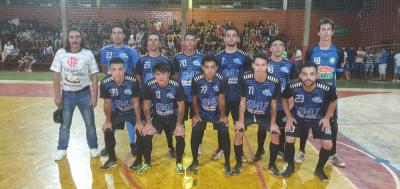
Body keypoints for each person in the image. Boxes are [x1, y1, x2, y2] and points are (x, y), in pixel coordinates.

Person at [280, 62, 337, 182]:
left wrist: (327, 118)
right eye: (305, 74)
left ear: (317, 75)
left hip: (318, 118)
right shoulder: (292, 85)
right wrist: (289, 117)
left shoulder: (327, 87)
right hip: (298, 117)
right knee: (289, 139)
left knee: (328, 145)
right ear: (300, 75)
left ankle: (319, 169)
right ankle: (290, 166)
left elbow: (333, 101)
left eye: (312, 74)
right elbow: (284, 99)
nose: (308, 77)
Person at [301, 18, 345, 167]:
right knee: (305, 120)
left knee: (332, 122)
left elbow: (339, 73)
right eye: (323, 29)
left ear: (332, 32)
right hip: (312, 93)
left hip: (329, 95)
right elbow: (305, 69)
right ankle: (301, 151)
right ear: (318, 32)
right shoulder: (312, 50)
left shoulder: (338, 51)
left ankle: (333, 154)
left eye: (328, 29)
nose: (326, 32)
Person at [50, 28, 99, 161]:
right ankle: (61, 149)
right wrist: (57, 94)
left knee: (90, 123)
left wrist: (95, 96)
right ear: (68, 40)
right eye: (71, 37)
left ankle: (93, 147)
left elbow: (94, 75)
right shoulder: (60, 53)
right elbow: (56, 74)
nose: (74, 39)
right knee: (65, 124)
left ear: (81, 39)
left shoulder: (88, 54)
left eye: (77, 37)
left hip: (85, 94)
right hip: (67, 95)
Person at [130, 62, 186, 175]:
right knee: (146, 134)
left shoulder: (177, 85)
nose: (161, 77)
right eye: (158, 74)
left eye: (164, 73)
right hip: (157, 117)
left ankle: (179, 163)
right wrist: (148, 123)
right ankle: (147, 163)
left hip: (173, 117)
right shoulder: (149, 85)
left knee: (180, 135)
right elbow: (146, 106)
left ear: (169, 73)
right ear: (154, 75)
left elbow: (181, 106)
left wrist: (179, 124)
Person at [232, 53, 281, 176]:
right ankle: (238, 164)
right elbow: (242, 101)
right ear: (253, 65)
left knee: (275, 135)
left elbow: (274, 104)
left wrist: (274, 123)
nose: (260, 68)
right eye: (257, 65)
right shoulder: (245, 77)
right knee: (238, 133)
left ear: (267, 66)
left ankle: (272, 165)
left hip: (265, 114)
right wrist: (241, 121)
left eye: (263, 65)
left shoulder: (274, 81)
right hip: (248, 113)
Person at [186, 55, 232, 176]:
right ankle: (194, 161)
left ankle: (227, 163)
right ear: (202, 67)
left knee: (224, 133)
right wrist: (196, 115)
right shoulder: (196, 79)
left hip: (217, 113)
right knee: (196, 132)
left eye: (212, 67)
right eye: (207, 67)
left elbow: (222, 100)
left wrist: (223, 116)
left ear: (217, 67)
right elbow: (194, 99)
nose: (209, 70)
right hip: (202, 112)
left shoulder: (222, 79)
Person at [99, 25, 140, 157]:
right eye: (114, 33)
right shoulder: (105, 51)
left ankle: (133, 144)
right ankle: (109, 145)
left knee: (129, 117)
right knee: (112, 116)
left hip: (128, 88)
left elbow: (135, 68)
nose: (117, 35)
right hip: (112, 89)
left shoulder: (131, 51)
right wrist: (113, 79)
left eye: (120, 33)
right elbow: (104, 68)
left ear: (124, 36)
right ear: (111, 36)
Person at [135, 32, 176, 157]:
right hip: (146, 99)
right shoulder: (141, 60)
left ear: (160, 42)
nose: (153, 42)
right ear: (147, 43)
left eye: (156, 40)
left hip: (163, 98)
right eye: (150, 40)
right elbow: (138, 77)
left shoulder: (167, 60)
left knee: (167, 123)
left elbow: (173, 78)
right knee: (144, 125)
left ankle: (170, 146)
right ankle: (142, 153)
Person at [215, 27, 252, 161]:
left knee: (239, 125)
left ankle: (240, 151)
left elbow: (249, 77)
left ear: (237, 38)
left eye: (233, 35)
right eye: (228, 36)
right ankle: (221, 148)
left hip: (238, 98)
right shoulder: (218, 57)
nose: (231, 38)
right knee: (221, 124)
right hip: (222, 97)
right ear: (224, 38)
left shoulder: (245, 57)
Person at [99, 57, 143, 169]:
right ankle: (112, 159)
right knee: (108, 130)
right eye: (114, 69)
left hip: (132, 111)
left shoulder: (132, 81)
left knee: (141, 130)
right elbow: (107, 104)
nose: (117, 72)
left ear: (125, 69)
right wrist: (107, 121)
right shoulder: (105, 83)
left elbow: (136, 103)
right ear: (109, 70)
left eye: (120, 69)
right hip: (117, 112)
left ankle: (139, 160)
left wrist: (138, 122)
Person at [258, 37, 294, 162]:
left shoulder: (290, 64)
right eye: (275, 45)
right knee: (262, 127)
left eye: (281, 45)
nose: (278, 47)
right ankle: (259, 149)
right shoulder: (264, 63)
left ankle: (280, 149)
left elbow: (294, 85)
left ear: (284, 48)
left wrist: (292, 103)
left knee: (282, 128)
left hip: (283, 104)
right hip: (266, 103)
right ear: (270, 48)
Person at [173, 32, 204, 154]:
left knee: (198, 121)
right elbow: (175, 77)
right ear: (184, 42)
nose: (190, 42)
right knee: (180, 121)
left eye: (192, 40)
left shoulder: (202, 57)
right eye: (187, 40)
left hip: (197, 96)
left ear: (196, 42)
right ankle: (180, 143)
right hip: (182, 97)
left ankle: (198, 144)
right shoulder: (177, 58)